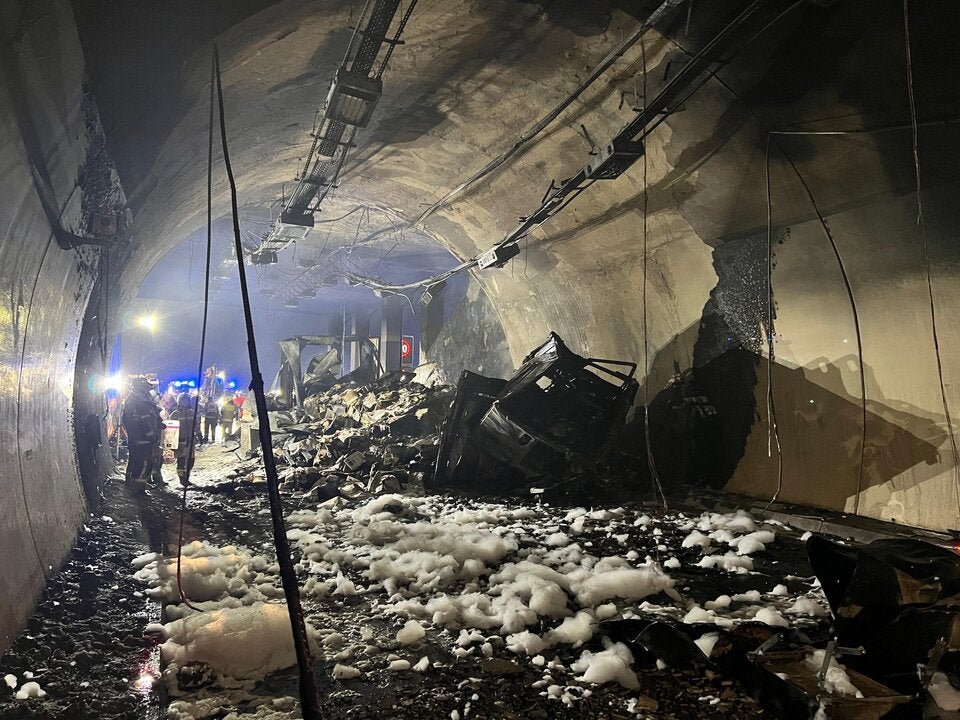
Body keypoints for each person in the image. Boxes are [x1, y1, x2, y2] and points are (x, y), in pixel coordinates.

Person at [120, 379, 162, 489]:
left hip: (146, 438)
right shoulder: (134, 401)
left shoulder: (145, 401)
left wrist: (158, 423)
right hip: (139, 438)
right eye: (146, 388)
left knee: (139, 462)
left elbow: (153, 415)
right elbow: (133, 420)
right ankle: (137, 486)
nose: (148, 391)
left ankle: (135, 484)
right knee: (142, 463)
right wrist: (148, 432)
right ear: (139, 388)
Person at [169, 394, 201, 484]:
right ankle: (182, 479)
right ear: (179, 401)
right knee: (181, 461)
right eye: (183, 400)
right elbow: (170, 431)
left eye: (186, 400)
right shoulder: (175, 414)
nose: (185, 402)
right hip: (180, 442)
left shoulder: (192, 412)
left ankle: (187, 477)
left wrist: (200, 436)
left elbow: (197, 426)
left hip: (190, 441)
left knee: (191, 461)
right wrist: (170, 443)